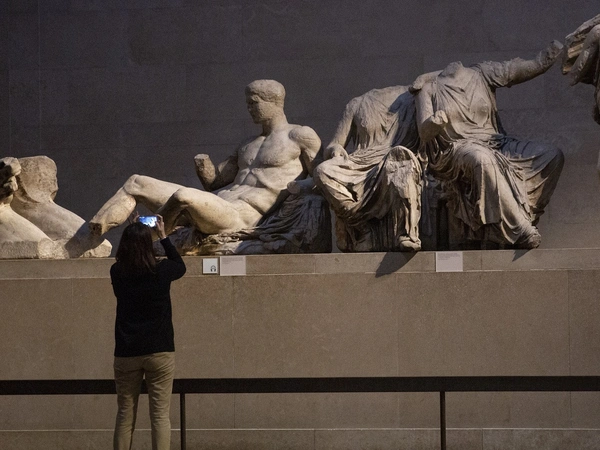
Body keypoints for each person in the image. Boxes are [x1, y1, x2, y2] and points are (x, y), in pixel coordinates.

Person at [89, 80, 321, 240]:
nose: (249, 108)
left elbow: (321, 177)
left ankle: (147, 232)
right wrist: (203, 163)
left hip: (243, 215)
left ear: (274, 102)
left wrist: (298, 187)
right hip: (217, 204)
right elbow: (214, 182)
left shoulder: (299, 135)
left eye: (254, 102)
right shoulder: (248, 144)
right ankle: (89, 236)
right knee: (136, 182)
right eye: (248, 103)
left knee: (183, 196)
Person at [412, 41, 565, 248]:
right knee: (482, 159)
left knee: (552, 155)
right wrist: (434, 122)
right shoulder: (428, 88)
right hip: (456, 150)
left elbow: (518, 70)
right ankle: (519, 229)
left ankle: (523, 214)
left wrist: (546, 58)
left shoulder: (482, 74)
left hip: (496, 143)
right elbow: (424, 132)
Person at [313, 85, 423, 252]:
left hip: (395, 159)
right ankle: (359, 224)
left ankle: (405, 234)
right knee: (322, 171)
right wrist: (336, 150)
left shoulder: (416, 98)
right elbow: (334, 144)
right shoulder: (357, 104)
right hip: (359, 163)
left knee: (399, 165)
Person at [110, 215, 186, 450]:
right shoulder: (161, 270)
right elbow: (180, 266)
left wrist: (134, 228)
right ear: (148, 244)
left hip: (127, 350)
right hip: (159, 349)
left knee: (125, 414)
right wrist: (163, 235)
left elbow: (129, 262)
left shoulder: (117, 271)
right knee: (160, 415)